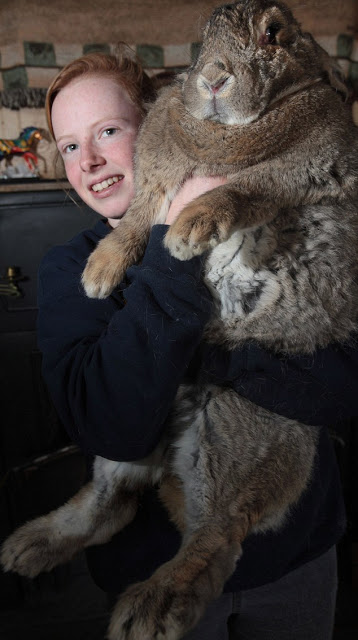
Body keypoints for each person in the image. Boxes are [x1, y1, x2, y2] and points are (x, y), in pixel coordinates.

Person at [38, 47, 358, 640]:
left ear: (165, 124)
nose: (91, 160)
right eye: (71, 146)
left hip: (294, 559)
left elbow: (339, 387)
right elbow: (113, 425)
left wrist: (201, 358)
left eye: (108, 130)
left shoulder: (275, 223)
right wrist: (169, 248)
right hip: (154, 579)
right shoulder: (69, 271)